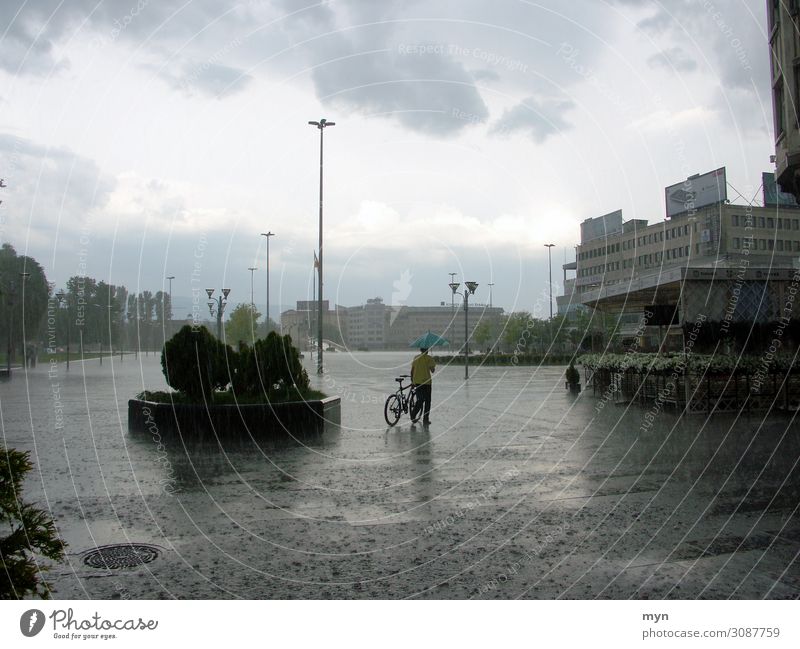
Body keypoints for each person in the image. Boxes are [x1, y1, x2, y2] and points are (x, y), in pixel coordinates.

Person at [410, 347, 436, 425]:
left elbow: (412, 371)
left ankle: (413, 414)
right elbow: (433, 370)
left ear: (420, 350)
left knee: (420, 399)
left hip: (417, 382)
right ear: (427, 350)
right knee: (427, 401)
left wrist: (412, 381)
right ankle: (425, 419)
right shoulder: (429, 358)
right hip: (427, 383)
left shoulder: (416, 357)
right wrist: (431, 364)